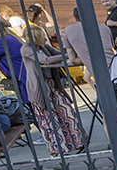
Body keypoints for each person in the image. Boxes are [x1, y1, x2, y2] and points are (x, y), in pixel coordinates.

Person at [19, 26, 84, 155]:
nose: (45, 37)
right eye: (42, 35)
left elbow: (56, 54)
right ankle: (58, 148)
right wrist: (69, 55)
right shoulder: (26, 49)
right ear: (36, 36)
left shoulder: (43, 47)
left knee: (66, 111)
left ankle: (76, 142)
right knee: (49, 118)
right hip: (39, 88)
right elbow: (45, 60)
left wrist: (70, 50)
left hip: (52, 84)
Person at [62, 6, 114, 83]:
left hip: (101, 76)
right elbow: (111, 47)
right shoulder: (105, 28)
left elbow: (72, 59)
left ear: (76, 18)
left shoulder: (69, 30)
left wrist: (87, 57)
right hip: (116, 68)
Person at [0, 18, 28, 103]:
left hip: (22, 77)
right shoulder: (9, 37)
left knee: (28, 104)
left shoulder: (3, 40)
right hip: (23, 75)